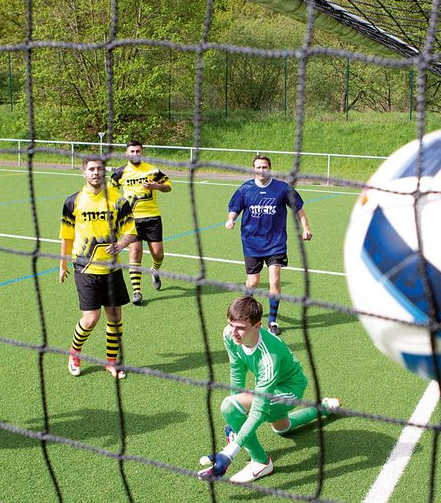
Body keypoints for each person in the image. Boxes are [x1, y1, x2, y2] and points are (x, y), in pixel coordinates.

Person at [198, 296, 339, 483]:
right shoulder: (229, 334)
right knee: (282, 428)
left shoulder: (268, 358)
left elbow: (258, 410)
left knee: (229, 407)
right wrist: (234, 422)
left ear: (257, 326)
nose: (234, 332)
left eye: (240, 327)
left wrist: (230, 452)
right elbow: (237, 369)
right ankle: (323, 407)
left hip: (290, 391)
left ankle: (261, 462)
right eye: (231, 324)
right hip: (268, 386)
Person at [61, 156, 137, 379]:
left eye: (100, 169)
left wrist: (121, 244)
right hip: (85, 268)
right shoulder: (72, 202)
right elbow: (66, 236)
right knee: (90, 319)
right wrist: (62, 264)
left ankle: (111, 363)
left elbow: (131, 232)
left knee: (114, 318)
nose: (96, 173)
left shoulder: (119, 201)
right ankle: (74, 353)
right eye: (91, 169)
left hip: (112, 270)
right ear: (83, 172)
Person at [226, 155, 312, 335]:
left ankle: (272, 321)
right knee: (253, 282)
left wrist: (306, 228)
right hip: (251, 242)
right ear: (253, 169)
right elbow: (235, 208)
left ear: (270, 168)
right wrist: (231, 220)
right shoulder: (245, 189)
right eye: (258, 167)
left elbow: (299, 209)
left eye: (265, 167)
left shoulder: (282, 189)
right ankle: (243, 311)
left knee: (274, 279)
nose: (261, 170)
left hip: (276, 243)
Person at [110, 141, 172, 306]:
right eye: (132, 151)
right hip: (132, 220)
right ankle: (137, 291)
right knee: (135, 252)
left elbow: (168, 186)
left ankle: (154, 270)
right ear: (126, 153)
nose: (135, 153)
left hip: (152, 217)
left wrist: (156, 186)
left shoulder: (152, 170)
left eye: (138, 151)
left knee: (158, 254)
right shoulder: (120, 172)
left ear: (142, 153)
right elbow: (110, 191)